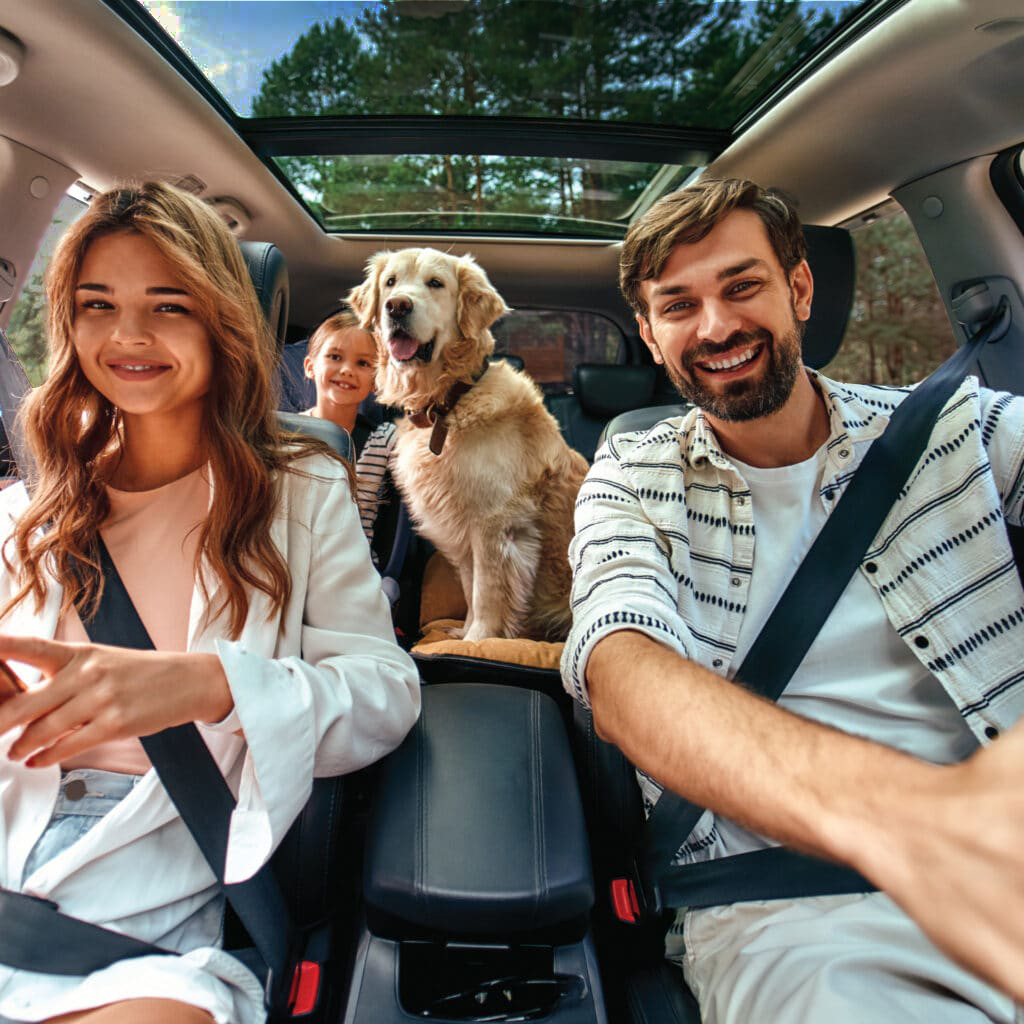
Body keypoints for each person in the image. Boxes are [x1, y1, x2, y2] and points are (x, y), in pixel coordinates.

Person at [561, 178, 1024, 1021]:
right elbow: (620, 665)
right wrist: (925, 822)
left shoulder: (966, 432)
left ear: (798, 288)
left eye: (742, 286)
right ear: (650, 334)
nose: (716, 328)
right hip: (792, 909)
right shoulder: (630, 476)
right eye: (678, 306)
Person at [0, 181, 421, 1024]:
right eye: (97, 305)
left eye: (167, 306)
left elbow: (386, 691)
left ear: (221, 317)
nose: (127, 336)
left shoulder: (296, 488)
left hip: (143, 913)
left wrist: (208, 684)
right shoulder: (27, 504)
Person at [299, 310, 398, 556]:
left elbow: (427, 454)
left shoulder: (382, 438)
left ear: (376, 381)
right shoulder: (283, 433)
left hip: (355, 569)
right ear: (310, 367)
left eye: (362, 363)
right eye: (335, 356)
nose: (346, 370)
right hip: (293, 561)